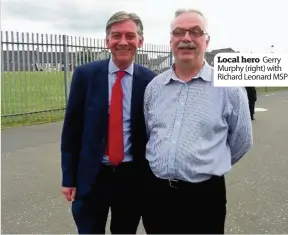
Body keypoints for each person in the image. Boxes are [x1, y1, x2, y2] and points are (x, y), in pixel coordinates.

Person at [142, 9, 253, 234]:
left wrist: (210, 161)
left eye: (195, 32)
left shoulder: (230, 90)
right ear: (171, 40)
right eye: (179, 32)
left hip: (204, 197)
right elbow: (150, 132)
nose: (186, 38)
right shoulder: (154, 88)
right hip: (157, 195)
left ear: (207, 40)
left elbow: (242, 140)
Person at [61, 11, 157, 234]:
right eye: (116, 36)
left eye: (130, 36)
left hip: (131, 178)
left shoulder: (151, 81)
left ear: (140, 41)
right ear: (107, 41)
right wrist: (69, 178)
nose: (123, 42)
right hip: (93, 177)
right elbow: (72, 130)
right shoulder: (85, 75)